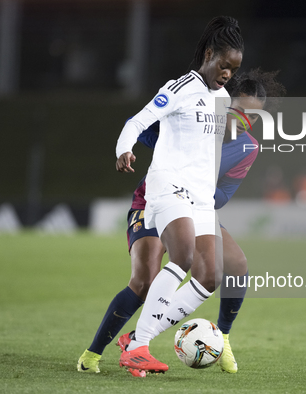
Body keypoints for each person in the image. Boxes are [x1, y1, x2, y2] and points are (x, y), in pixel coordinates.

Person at [77, 69, 286, 376]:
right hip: (154, 200)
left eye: (254, 119)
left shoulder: (247, 148)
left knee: (235, 265)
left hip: (197, 206)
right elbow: (139, 127)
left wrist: (197, 185)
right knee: (145, 281)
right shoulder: (191, 120)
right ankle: (92, 354)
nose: (245, 123)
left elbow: (223, 195)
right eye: (240, 112)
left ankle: (214, 337)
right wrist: (130, 149)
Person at [82, 16, 244, 375]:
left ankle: (138, 338)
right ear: (209, 53)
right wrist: (124, 148)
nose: (227, 73)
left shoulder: (223, 99)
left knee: (210, 276)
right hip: (168, 184)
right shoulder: (181, 87)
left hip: (200, 196)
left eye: (234, 69)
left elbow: (206, 152)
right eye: (224, 64)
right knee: (183, 255)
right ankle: (138, 347)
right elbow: (137, 121)